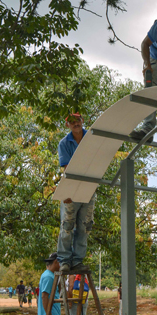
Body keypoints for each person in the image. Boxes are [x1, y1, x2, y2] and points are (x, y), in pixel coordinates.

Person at [57, 113, 95, 274]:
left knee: (85, 225)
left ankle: (78, 260)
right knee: (67, 225)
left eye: (77, 120)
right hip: (72, 188)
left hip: (90, 187)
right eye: (71, 122)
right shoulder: (64, 143)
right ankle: (65, 260)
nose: (75, 124)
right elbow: (67, 169)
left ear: (82, 121)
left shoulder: (92, 139)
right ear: (67, 125)